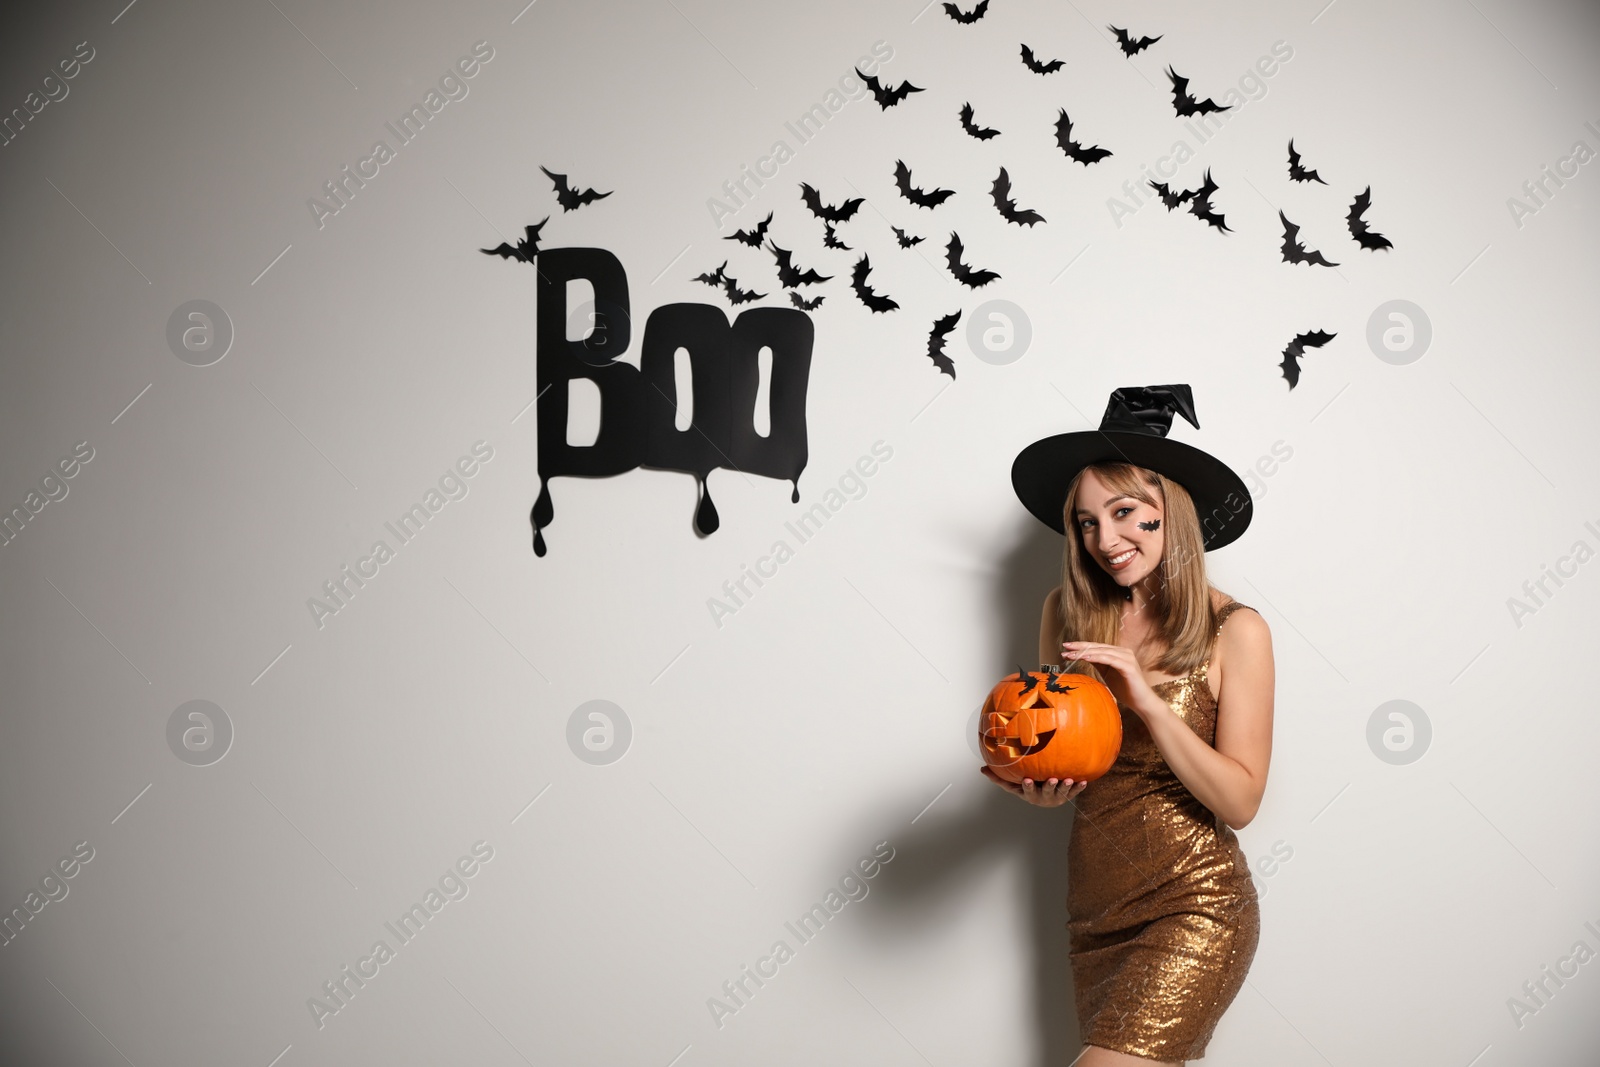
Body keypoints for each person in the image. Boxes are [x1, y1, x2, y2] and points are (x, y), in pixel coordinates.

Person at [984, 384, 1275, 1065]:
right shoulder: (1066, 612)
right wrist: (1032, 783)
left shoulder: (1237, 630)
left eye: (1123, 513)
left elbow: (1241, 800)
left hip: (1195, 905)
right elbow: (1060, 744)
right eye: (1086, 522)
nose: (1104, 539)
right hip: (1093, 913)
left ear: (1169, 512)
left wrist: (1144, 699)